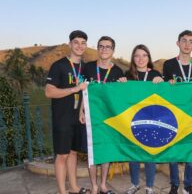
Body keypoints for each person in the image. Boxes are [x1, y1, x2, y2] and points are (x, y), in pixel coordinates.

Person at [45, 30, 89, 194]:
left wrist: (82, 109)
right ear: (70, 44)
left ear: (86, 46)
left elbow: (86, 92)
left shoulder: (85, 67)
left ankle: (74, 187)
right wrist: (74, 88)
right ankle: (62, 191)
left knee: (73, 154)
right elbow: (49, 92)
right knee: (62, 155)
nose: (79, 46)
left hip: (77, 118)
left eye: (83, 42)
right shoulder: (59, 65)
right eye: (76, 42)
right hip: (62, 118)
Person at [79, 36, 123, 194]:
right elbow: (84, 91)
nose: (104, 49)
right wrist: (81, 111)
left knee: (106, 151)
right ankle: (94, 186)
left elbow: (121, 98)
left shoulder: (118, 71)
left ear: (113, 50)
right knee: (92, 152)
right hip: (91, 117)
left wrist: (123, 85)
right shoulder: (88, 67)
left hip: (109, 118)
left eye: (108, 47)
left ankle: (103, 184)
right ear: (98, 48)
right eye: (101, 46)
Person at [163, 30, 192, 194]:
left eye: (190, 41)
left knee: (191, 150)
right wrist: (168, 84)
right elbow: (163, 91)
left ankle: (188, 185)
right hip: (173, 114)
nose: (187, 44)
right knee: (173, 149)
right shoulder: (168, 64)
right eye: (184, 41)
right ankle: (174, 183)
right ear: (178, 43)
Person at [119, 44, 163, 194]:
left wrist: (161, 82)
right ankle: (134, 184)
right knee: (134, 155)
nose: (141, 59)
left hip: (151, 120)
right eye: (137, 55)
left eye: (144, 55)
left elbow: (164, 96)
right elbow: (122, 97)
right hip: (133, 120)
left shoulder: (155, 74)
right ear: (133, 58)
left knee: (150, 154)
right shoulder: (128, 75)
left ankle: (149, 186)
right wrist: (121, 84)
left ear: (148, 58)